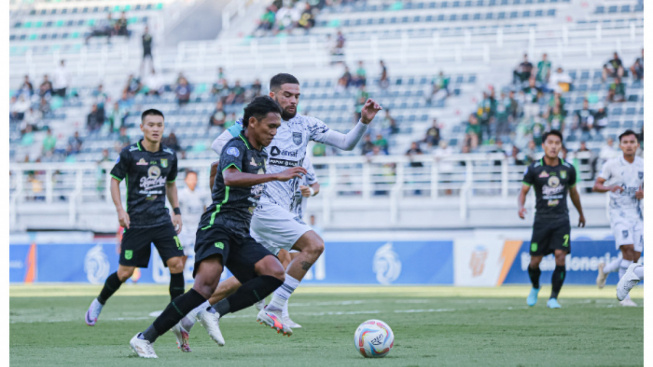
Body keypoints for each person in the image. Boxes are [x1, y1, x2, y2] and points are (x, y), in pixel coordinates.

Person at [177, 73, 382, 347]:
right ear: (273, 96)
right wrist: (254, 159)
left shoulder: (306, 125)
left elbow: (346, 143)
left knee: (247, 277)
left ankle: (189, 318)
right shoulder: (257, 124)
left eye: (297, 95)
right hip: (261, 206)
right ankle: (275, 307)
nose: (293, 100)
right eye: (287, 95)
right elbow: (219, 145)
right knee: (314, 245)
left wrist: (364, 122)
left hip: (279, 212)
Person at [129, 96, 307, 358]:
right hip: (218, 225)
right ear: (253, 122)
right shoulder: (236, 146)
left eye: (277, 127)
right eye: (270, 126)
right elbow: (230, 176)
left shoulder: (260, 153)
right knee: (205, 287)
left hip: (240, 231)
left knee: (275, 273)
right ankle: (144, 338)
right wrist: (274, 175)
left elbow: (219, 171)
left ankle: (214, 311)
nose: (274, 132)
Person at [85, 109, 185, 327]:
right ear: (142, 128)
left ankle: (176, 313)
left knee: (177, 264)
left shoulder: (169, 155)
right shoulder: (130, 153)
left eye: (159, 124)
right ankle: (99, 301)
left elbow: (171, 183)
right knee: (125, 273)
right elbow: (114, 180)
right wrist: (120, 210)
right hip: (137, 223)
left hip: (161, 220)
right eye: (151, 125)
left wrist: (176, 210)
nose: (156, 128)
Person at [518, 130, 586, 309]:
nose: (554, 146)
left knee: (560, 257)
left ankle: (553, 298)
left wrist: (581, 213)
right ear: (544, 145)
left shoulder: (568, 169)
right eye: (550, 142)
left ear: (561, 146)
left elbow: (574, 193)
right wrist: (520, 206)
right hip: (541, 221)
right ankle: (535, 286)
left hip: (561, 220)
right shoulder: (534, 168)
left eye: (557, 143)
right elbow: (523, 191)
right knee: (534, 261)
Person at [593, 130, 643, 307]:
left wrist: (643, 193)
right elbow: (596, 185)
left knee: (635, 258)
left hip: (637, 214)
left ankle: (605, 269)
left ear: (637, 144)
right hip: (618, 213)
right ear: (620, 145)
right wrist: (609, 188)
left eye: (632, 142)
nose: (629, 145)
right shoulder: (611, 165)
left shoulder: (644, 164)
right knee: (628, 249)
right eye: (625, 142)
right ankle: (625, 297)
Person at [176, 170, 210, 264]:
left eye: (194, 179)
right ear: (185, 180)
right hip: (184, 229)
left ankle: (200, 277)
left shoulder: (202, 194)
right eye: (190, 179)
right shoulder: (181, 194)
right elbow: (175, 211)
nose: (193, 181)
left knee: (201, 254)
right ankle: (180, 276)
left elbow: (205, 210)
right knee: (183, 255)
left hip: (197, 229)